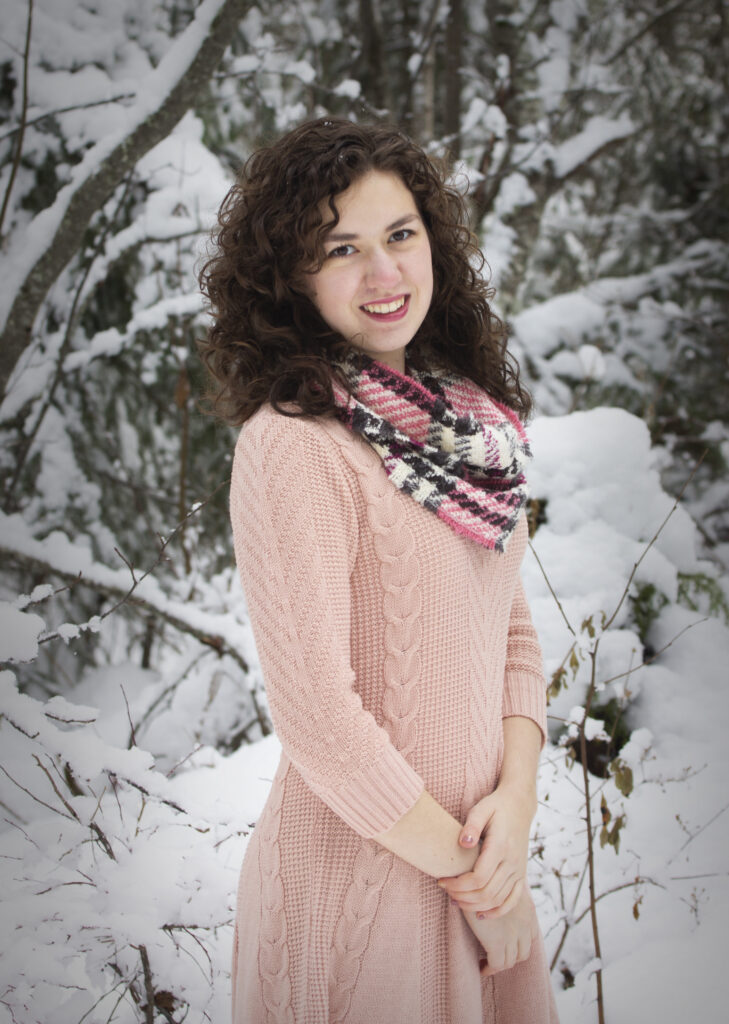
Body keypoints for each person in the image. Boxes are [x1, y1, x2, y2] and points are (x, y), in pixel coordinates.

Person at [199, 117, 559, 1024]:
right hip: (362, 893)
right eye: (341, 250)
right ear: (290, 280)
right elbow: (318, 716)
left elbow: (508, 633)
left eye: (399, 235)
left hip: (474, 874)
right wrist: (486, 885)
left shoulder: (465, 432)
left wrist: (514, 804)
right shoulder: (295, 446)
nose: (384, 274)